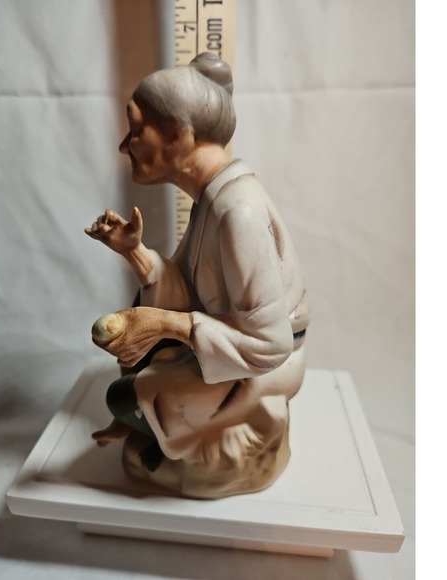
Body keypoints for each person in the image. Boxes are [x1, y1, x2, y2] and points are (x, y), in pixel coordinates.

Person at [84, 53, 309, 498]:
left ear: (177, 135)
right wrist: (135, 252)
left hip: (261, 366)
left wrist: (164, 324)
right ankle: (172, 432)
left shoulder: (238, 212)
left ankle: (200, 441)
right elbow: (188, 290)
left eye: (136, 130)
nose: (125, 146)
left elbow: (271, 343)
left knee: (125, 397)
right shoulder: (214, 200)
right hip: (228, 348)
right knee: (137, 362)